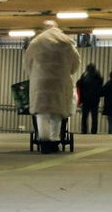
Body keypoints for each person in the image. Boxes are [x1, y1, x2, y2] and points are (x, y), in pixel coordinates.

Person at [23, 24, 80, 152]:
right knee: (57, 114)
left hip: (40, 84)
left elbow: (27, 63)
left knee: (42, 113)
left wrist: (34, 75)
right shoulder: (67, 44)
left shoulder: (36, 43)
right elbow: (76, 64)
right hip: (60, 84)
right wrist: (66, 71)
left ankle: (44, 142)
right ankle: (55, 140)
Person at [76, 63, 104, 135]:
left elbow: (78, 84)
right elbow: (101, 84)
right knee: (94, 117)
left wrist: (82, 75)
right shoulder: (97, 78)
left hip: (85, 100)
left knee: (84, 117)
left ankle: (84, 131)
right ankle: (94, 131)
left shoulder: (84, 78)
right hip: (95, 100)